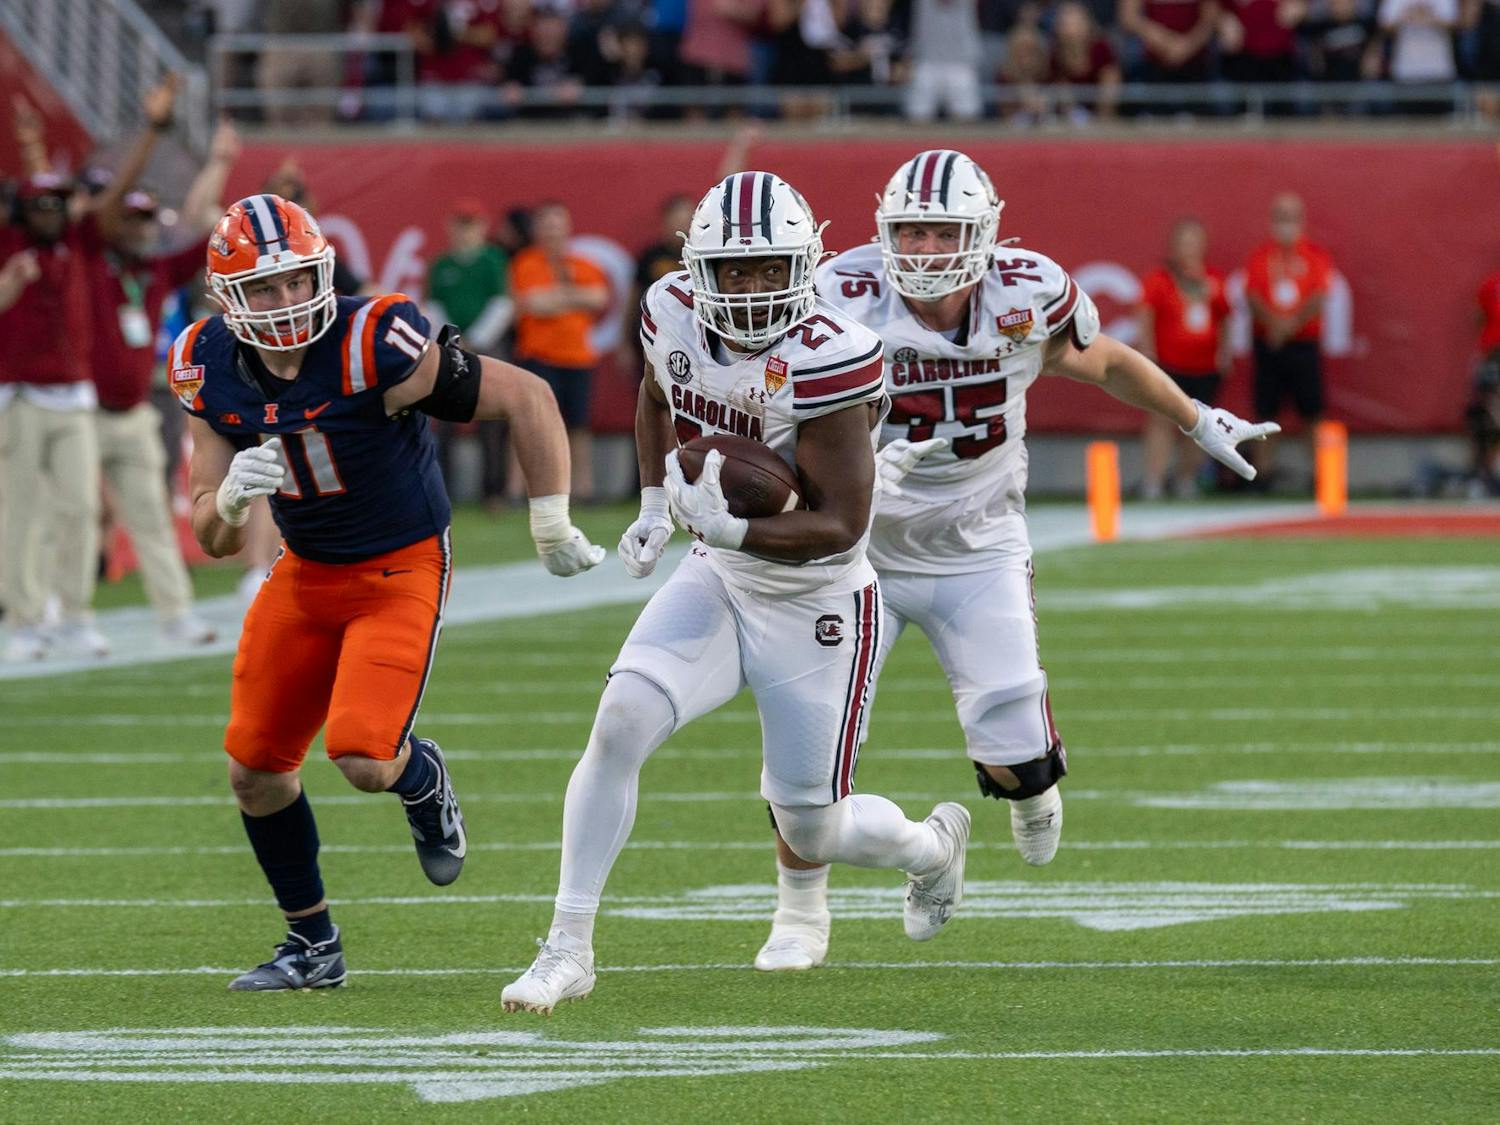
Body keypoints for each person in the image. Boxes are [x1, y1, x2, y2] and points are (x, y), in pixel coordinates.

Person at [752, 150, 1279, 972]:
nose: (924, 249)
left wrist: (1195, 417)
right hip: (853, 551)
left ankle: (1031, 789)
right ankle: (799, 912)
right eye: (911, 231)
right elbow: (767, 399)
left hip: (979, 544)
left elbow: (1098, 361)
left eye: (942, 230)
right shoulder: (838, 294)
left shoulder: (1026, 291)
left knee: (1019, 766)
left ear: (983, 232)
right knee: (807, 743)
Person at [500, 172, 972, 1016]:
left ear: (805, 263)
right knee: (620, 722)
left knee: (810, 827)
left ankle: (929, 847)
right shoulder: (670, 309)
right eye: (735, 270)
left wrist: (728, 531)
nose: (752, 287)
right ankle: (567, 946)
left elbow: (841, 523)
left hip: (820, 597)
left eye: (769, 268)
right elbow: (655, 393)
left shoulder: (834, 354)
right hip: (719, 579)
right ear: (698, 268)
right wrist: (652, 504)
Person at [178, 192, 604, 991]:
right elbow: (214, 535)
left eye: (297, 281)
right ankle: (312, 946)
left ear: (324, 275)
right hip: (303, 571)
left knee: (364, 757)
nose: (284, 302)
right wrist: (231, 497)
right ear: (226, 298)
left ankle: (423, 777)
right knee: (254, 768)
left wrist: (549, 523)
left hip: (398, 565)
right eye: (262, 289)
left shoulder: (373, 343)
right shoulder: (207, 362)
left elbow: (526, 397)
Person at [87, 101, 242, 645]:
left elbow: (213, 235)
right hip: (83, 407)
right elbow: (99, 214)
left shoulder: (154, 270)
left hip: (133, 410)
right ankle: (60, 616)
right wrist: (151, 132)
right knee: (70, 516)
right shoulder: (90, 259)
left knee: (151, 514)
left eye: (148, 217)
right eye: (131, 217)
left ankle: (175, 613)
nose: (142, 227)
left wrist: (223, 166)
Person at [0, 168, 107, 662]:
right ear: (22, 211)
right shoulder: (7, 246)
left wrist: (153, 130)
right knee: (19, 514)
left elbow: (113, 198)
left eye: (55, 205)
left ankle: (74, 615)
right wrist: (9, 284)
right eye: (39, 205)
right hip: (18, 397)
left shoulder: (79, 244)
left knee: (82, 508)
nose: (49, 214)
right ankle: (23, 620)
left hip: (74, 396)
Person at [508, 201, 610, 502]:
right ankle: (518, 490)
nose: (553, 230)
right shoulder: (525, 263)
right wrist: (574, 298)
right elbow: (534, 304)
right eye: (547, 224)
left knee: (579, 426)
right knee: (530, 423)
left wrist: (561, 296)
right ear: (538, 229)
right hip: (538, 355)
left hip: (578, 357)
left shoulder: (584, 263)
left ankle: (583, 489)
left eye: (558, 223)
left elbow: (599, 298)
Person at [1136, 216, 1233, 499]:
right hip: (1168, 363)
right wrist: (1148, 351)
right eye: (1184, 242)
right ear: (1173, 246)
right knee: (1160, 420)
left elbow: (1225, 318)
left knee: (1199, 425)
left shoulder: (1213, 280)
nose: (1189, 248)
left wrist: (1223, 353)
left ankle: (1186, 478)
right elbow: (1145, 313)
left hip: (1203, 365)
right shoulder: (1160, 278)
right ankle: (1153, 480)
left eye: (1195, 242)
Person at [426, 198, 513, 509]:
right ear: (450, 228)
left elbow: (502, 304)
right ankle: (443, 490)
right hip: (450, 346)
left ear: (482, 228)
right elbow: (434, 305)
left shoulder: (492, 260)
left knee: (492, 418)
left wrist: (476, 338)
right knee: (444, 418)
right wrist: (455, 339)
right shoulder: (441, 264)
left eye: (471, 225)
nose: (465, 232)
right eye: (460, 225)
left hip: (487, 346)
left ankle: (493, 492)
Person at [1243, 191, 1334, 486]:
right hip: (1269, 343)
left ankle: (1321, 474)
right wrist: (1275, 326)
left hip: (1303, 344)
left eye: (1291, 216)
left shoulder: (1314, 255)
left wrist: (1289, 326)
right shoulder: (1261, 255)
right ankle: (1261, 474)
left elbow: (1318, 295)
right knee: (1265, 412)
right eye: (1281, 216)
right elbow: (1253, 295)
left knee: (1313, 412)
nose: (1286, 222)